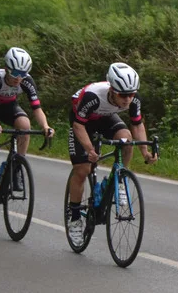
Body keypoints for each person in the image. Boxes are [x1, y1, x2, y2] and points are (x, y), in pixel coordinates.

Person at [66, 62, 158, 242]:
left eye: (131, 94)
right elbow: (78, 126)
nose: (127, 99)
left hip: (105, 118)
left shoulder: (133, 99)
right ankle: (75, 218)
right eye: (123, 95)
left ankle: (120, 178)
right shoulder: (93, 96)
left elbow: (137, 124)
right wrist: (90, 149)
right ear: (112, 90)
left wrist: (145, 152)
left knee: (126, 139)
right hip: (82, 123)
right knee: (82, 170)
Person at [0, 47, 54, 213]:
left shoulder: (27, 81)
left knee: (25, 125)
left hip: (9, 106)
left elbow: (37, 109)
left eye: (23, 74)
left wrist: (45, 126)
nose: (19, 78)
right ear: (6, 68)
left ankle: (17, 166)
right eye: (15, 73)